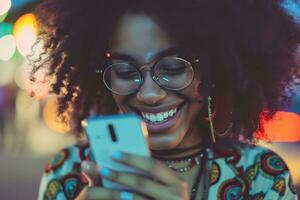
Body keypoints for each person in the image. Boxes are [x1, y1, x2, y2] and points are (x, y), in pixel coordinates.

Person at [32, 0, 300, 199]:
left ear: (214, 71)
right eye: (124, 71)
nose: (149, 94)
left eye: (173, 68)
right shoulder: (67, 171)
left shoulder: (262, 176)